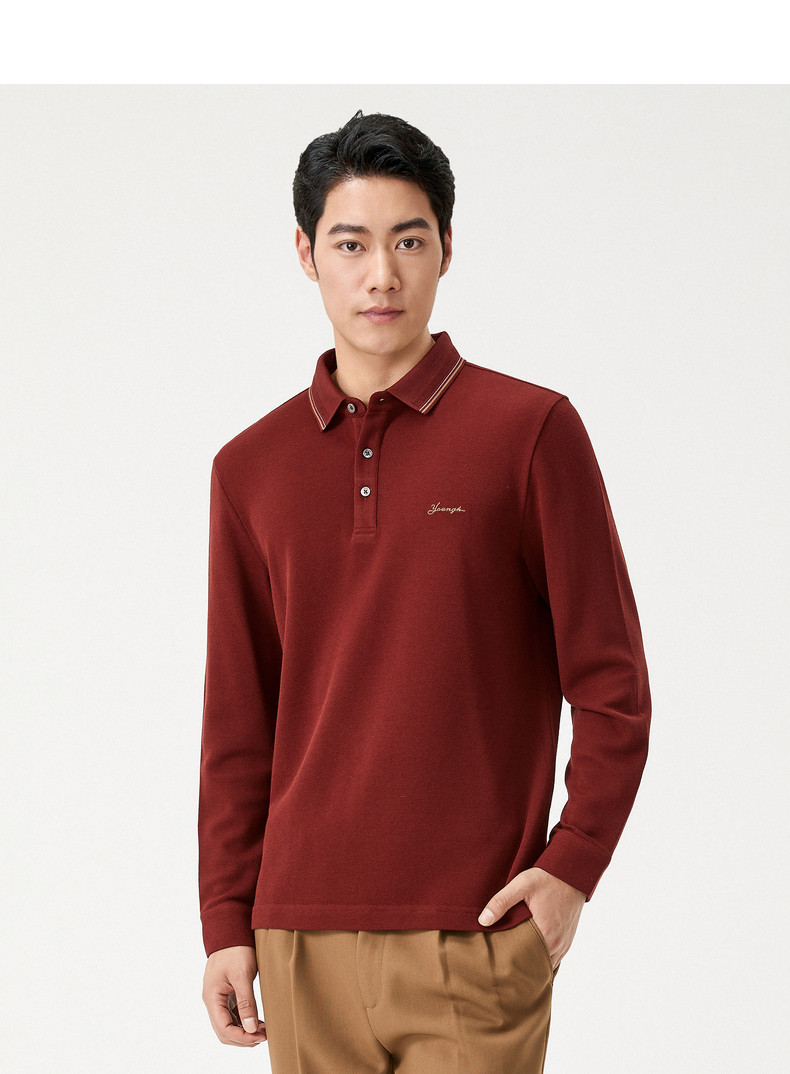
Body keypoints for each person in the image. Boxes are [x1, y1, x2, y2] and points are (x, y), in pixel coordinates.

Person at [198, 110, 651, 1073]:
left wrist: (572, 867)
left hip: (475, 932)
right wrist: (225, 920)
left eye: (408, 241)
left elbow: (612, 684)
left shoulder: (530, 433)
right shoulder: (249, 468)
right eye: (350, 244)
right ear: (305, 254)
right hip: (298, 937)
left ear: (447, 247)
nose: (381, 275)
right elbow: (239, 718)